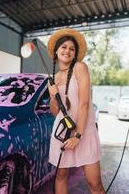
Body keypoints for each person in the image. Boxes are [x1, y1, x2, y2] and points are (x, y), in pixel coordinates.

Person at [47, 28, 105, 194]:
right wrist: (53, 97)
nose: (67, 51)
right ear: (56, 51)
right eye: (64, 47)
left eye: (72, 49)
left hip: (83, 131)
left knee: (95, 184)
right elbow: (54, 112)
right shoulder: (53, 79)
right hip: (62, 132)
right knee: (60, 176)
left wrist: (78, 135)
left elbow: (84, 103)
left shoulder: (80, 68)